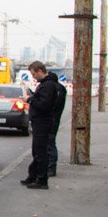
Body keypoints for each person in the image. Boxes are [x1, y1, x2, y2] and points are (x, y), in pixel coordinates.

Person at [20, 61, 57, 189]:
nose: (33, 77)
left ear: (40, 71)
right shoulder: (45, 85)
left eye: (34, 74)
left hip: (42, 122)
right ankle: (34, 177)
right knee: (37, 151)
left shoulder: (48, 86)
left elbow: (43, 105)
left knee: (40, 152)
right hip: (39, 122)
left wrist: (29, 99)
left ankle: (41, 180)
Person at [46, 73, 68, 177]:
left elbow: (50, 105)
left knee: (49, 143)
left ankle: (51, 167)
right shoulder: (61, 88)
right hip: (55, 119)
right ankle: (50, 167)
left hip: (50, 120)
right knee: (49, 142)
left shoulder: (54, 89)